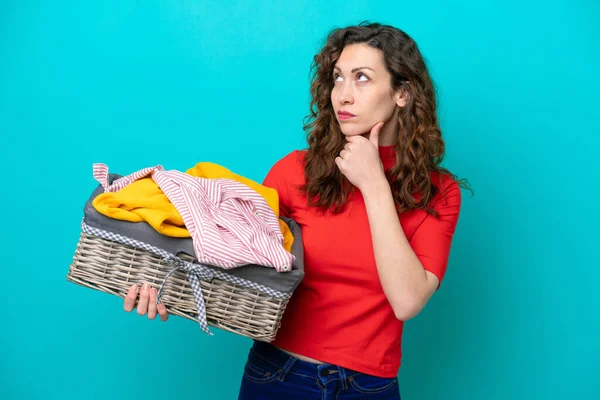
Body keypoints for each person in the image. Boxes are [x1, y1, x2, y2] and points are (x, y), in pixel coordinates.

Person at [123, 21, 472, 399]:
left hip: (369, 388)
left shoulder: (440, 193)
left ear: (402, 92)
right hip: (278, 377)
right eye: (338, 78)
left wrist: (373, 185)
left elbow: (406, 301)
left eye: (362, 78)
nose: (344, 95)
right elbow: (234, 259)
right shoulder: (294, 172)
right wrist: (165, 286)